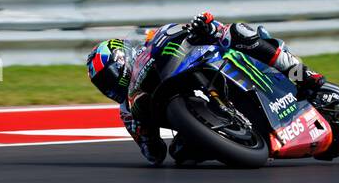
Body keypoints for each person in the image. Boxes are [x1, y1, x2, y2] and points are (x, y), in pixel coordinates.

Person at [85, 12, 324, 165]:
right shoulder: (128, 111)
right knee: (181, 154)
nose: (111, 84)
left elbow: (177, 31)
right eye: (104, 83)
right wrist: (146, 136)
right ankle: (236, 137)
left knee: (237, 32)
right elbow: (154, 154)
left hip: (209, 58)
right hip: (192, 110)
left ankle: (304, 74)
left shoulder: (149, 46)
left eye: (110, 75)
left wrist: (202, 26)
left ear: (123, 58)